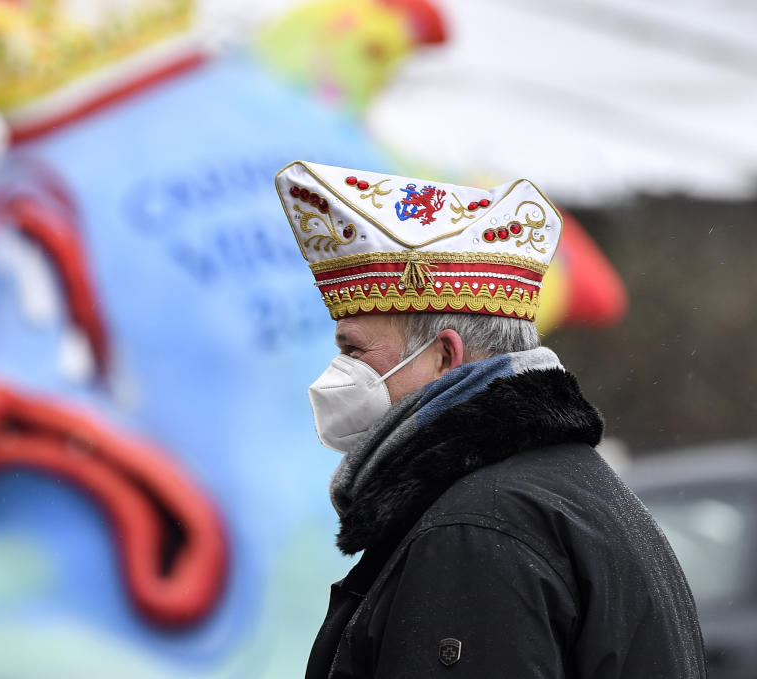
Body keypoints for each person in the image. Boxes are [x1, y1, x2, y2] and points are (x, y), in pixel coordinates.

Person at [274, 161, 706, 678]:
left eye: (355, 350)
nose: (337, 373)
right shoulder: (573, 491)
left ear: (444, 355)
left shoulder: (475, 529)